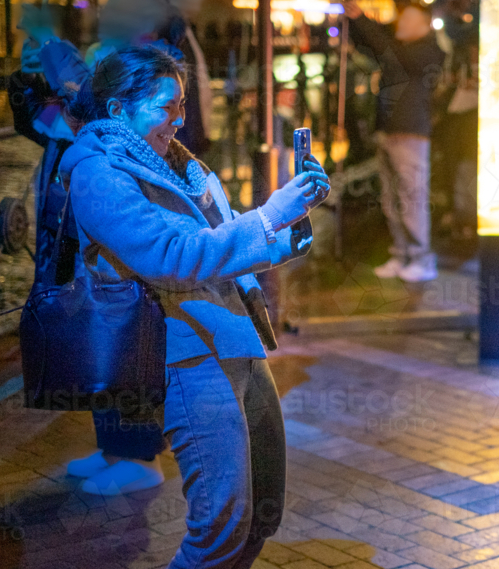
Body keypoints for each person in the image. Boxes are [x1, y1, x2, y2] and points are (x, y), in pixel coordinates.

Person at [57, 46, 330, 567]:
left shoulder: (180, 163)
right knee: (221, 522)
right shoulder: (97, 173)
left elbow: (224, 244)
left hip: (237, 336)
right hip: (184, 352)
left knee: (260, 513)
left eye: (183, 105)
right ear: (119, 110)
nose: (179, 121)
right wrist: (271, 214)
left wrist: (293, 217)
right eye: (167, 107)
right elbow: (171, 257)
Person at [14, 0, 176, 496]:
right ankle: (115, 448)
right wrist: (31, 81)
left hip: (116, 225)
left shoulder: (147, 69)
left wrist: (55, 60)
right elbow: (55, 126)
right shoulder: (107, 63)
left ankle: (139, 456)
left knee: (127, 322)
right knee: (100, 327)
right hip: (73, 219)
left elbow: (90, 118)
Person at [343, 0, 446, 283]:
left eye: (408, 20)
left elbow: (385, 49)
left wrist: (362, 19)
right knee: (391, 199)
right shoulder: (405, 50)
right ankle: (402, 254)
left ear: (425, 26)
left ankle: (422, 259)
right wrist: (357, 22)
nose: (401, 24)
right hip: (390, 131)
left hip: (410, 132)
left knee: (412, 198)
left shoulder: (428, 52)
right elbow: (373, 46)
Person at [160, 0, 213, 156]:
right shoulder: (172, 30)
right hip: (182, 142)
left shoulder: (184, 29)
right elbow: (182, 88)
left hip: (187, 140)